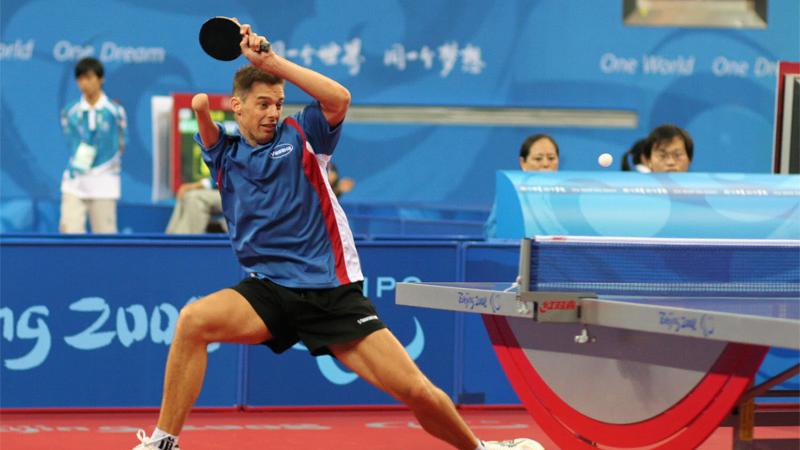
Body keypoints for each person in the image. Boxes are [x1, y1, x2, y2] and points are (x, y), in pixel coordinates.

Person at [132, 21, 543, 450]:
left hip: (331, 292)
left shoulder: (302, 134)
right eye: (263, 104)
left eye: (278, 103)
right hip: (269, 290)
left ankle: (480, 449)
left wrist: (271, 62)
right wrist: (200, 108)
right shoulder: (225, 156)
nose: (273, 112)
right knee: (193, 322)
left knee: (415, 390)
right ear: (237, 106)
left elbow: (339, 98)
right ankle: (164, 442)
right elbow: (208, 127)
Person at [59, 57, 128, 233]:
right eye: (80, 79)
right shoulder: (69, 112)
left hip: (104, 182)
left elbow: (122, 143)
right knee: (69, 238)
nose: (84, 83)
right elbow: (70, 141)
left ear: (101, 79)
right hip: (75, 182)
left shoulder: (115, 111)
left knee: (106, 241)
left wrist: (106, 163)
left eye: (89, 78)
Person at [484, 134, 559, 238]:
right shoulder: (511, 191)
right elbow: (491, 233)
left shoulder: (570, 193)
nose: (546, 164)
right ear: (523, 162)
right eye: (538, 159)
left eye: (551, 158)